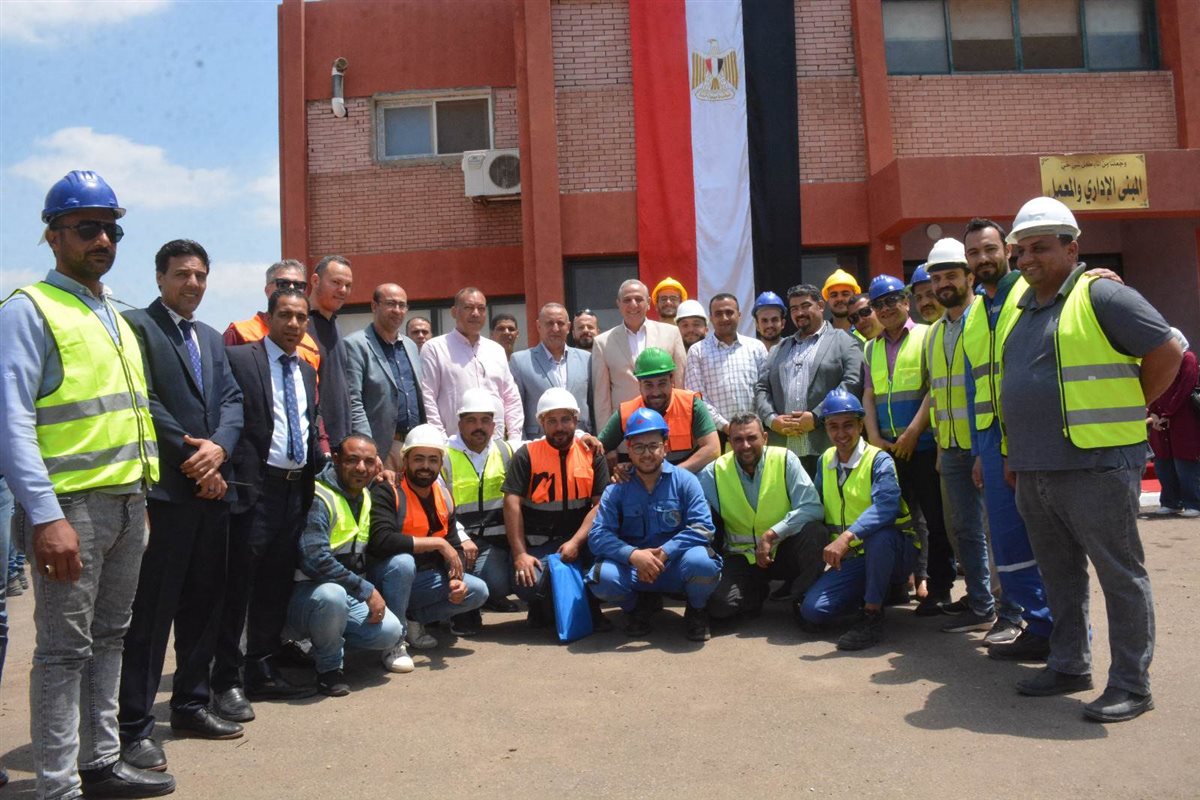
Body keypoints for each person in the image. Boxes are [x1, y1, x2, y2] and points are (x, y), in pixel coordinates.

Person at [0, 171, 173, 798]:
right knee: (62, 651)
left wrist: (140, 498)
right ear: (53, 236)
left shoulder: (115, 316)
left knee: (109, 639)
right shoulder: (29, 309)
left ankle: (100, 762)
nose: (102, 239)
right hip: (70, 509)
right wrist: (46, 517)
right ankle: (57, 784)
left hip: (127, 505)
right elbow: (12, 422)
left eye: (111, 229)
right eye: (87, 228)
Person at [1001, 196, 1180, 722]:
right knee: (1059, 575)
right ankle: (1069, 663)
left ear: (1072, 249)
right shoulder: (1021, 306)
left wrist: (1132, 404)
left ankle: (1131, 684)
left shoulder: (1102, 294)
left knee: (1119, 575)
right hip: (1036, 467)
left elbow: (1169, 350)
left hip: (1097, 464)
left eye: (1039, 247)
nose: (1027, 258)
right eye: (1020, 250)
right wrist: (1015, 455)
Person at [117, 240, 246, 775]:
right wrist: (195, 456)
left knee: (204, 603)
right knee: (153, 613)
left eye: (200, 275)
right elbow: (142, 399)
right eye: (181, 274)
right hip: (167, 493)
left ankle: (191, 704)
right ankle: (133, 726)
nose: (192, 284)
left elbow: (233, 401)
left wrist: (220, 450)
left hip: (214, 492)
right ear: (159, 277)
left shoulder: (211, 338)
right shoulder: (136, 328)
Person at [214, 288, 321, 725]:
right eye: (285, 315)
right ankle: (225, 680)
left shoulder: (307, 370)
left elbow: (309, 426)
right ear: (269, 317)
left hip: (293, 491)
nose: (293, 324)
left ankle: (260, 667)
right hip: (252, 491)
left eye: (301, 317)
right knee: (237, 587)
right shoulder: (241, 359)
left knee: (274, 585)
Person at [959, 217, 1056, 661]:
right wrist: (981, 452)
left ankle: (1063, 635)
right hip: (991, 440)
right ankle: (1037, 626)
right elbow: (978, 387)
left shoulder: (1030, 292)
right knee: (1007, 540)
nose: (983, 258)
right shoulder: (976, 312)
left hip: (1032, 435)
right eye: (974, 252)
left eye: (990, 249)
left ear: (1008, 251)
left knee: (1044, 538)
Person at [921, 238, 1016, 638]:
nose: (943, 284)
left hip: (985, 445)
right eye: (937, 278)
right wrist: (941, 445)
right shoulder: (933, 333)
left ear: (969, 277)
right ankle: (980, 604)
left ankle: (1011, 609)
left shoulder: (985, 319)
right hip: (951, 448)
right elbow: (939, 393)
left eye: (951, 275)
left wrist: (982, 449)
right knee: (964, 530)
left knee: (999, 530)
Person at [861, 274, 955, 615]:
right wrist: (873, 436)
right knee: (896, 519)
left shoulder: (928, 335)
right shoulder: (870, 347)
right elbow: (869, 394)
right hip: (887, 450)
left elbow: (935, 387)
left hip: (923, 445)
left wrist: (914, 431)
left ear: (905, 302)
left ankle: (939, 588)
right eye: (878, 304)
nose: (885, 309)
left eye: (891, 301)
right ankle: (898, 582)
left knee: (934, 519)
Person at [799, 390, 920, 651]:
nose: (841, 433)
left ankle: (872, 615)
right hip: (854, 560)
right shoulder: (824, 461)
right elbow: (814, 506)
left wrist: (847, 537)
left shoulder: (879, 460)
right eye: (833, 426)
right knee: (813, 611)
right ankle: (876, 591)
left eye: (848, 425)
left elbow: (886, 507)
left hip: (894, 552)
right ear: (826, 429)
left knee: (880, 536)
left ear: (861, 425)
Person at [587, 409, 722, 642]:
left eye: (653, 446)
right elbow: (598, 535)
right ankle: (636, 608)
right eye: (639, 447)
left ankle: (697, 609)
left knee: (703, 563)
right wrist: (633, 555)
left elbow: (703, 527)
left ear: (665, 447)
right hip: (635, 568)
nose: (646, 454)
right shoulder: (616, 489)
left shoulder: (686, 481)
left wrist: (666, 551)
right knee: (602, 577)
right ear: (629, 449)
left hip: (675, 565)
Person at [288, 434, 404, 695]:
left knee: (390, 631)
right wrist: (367, 591)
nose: (361, 468)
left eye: (368, 461)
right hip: (305, 594)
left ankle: (322, 644)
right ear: (337, 459)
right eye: (352, 460)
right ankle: (329, 669)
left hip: (345, 594)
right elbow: (314, 560)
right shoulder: (318, 496)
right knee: (332, 595)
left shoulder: (366, 495)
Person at [366, 425, 489, 654]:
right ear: (405, 460)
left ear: (440, 464)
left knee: (476, 591)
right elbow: (381, 540)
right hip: (386, 577)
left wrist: (455, 578)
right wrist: (438, 543)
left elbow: (454, 545)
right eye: (418, 459)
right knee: (403, 563)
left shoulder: (443, 496)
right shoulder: (388, 489)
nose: (425, 466)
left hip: (423, 579)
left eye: (433, 460)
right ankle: (394, 643)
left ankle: (412, 619)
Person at [502, 388, 611, 629]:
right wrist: (520, 554)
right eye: (551, 421)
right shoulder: (526, 455)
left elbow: (600, 505)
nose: (559, 427)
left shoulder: (592, 453)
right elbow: (511, 505)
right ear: (541, 423)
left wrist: (576, 542)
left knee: (607, 573)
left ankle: (590, 608)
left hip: (582, 542)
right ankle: (542, 605)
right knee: (527, 582)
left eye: (565, 419)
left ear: (575, 420)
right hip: (541, 544)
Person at [700, 414, 826, 621]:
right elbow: (698, 516)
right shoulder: (713, 473)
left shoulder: (785, 460)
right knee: (718, 607)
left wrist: (772, 534)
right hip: (742, 558)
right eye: (738, 440)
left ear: (765, 438)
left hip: (783, 551)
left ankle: (802, 599)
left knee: (815, 533)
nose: (745, 445)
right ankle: (755, 592)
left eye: (752, 438)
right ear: (730, 442)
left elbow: (812, 508)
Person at [754, 283, 864, 477]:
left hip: (827, 446)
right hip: (784, 451)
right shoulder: (779, 348)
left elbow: (852, 382)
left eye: (805, 306)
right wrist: (771, 420)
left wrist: (817, 416)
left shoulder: (845, 341)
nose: (799, 313)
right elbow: (762, 388)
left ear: (820, 306)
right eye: (794, 308)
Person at [442, 388, 513, 634]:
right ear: (460, 424)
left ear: (494, 425)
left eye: (485, 420)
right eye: (471, 420)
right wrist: (461, 537)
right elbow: (436, 506)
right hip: (457, 543)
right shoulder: (443, 454)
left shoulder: (505, 451)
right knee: (467, 579)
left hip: (495, 543)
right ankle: (459, 609)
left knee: (501, 583)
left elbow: (541, 443)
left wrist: (583, 436)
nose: (478, 427)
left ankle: (484, 597)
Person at [420, 287, 524, 444]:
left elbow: (511, 396)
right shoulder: (435, 348)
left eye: (481, 308)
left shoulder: (496, 350)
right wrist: (441, 440)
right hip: (453, 443)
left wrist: (514, 438)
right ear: (454, 312)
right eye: (468, 307)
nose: (475, 313)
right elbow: (428, 397)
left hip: (495, 444)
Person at [340, 283, 425, 470]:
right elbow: (353, 401)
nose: (397, 310)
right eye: (391, 304)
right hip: (381, 449)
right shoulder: (355, 345)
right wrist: (368, 448)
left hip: (414, 446)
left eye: (402, 305)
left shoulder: (410, 346)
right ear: (374, 306)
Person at [596, 348, 720, 473]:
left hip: (689, 478)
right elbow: (596, 450)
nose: (656, 392)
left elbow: (713, 449)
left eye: (662, 383)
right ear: (639, 383)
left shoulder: (691, 404)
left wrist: (673, 475)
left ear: (672, 380)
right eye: (648, 385)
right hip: (644, 481)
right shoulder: (626, 413)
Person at [591, 279, 687, 427]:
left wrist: (681, 423)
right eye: (627, 300)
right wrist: (606, 437)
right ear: (618, 304)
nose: (633, 305)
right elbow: (601, 398)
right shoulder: (602, 343)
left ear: (648, 303)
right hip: (625, 427)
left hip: (666, 423)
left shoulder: (672, 333)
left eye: (638, 299)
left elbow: (680, 384)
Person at [684, 294, 768, 445]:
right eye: (718, 314)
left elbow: (765, 390)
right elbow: (696, 397)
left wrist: (751, 427)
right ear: (711, 318)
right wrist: (725, 426)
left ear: (739, 315)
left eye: (729, 312)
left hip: (754, 434)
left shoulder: (756, 347)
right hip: (717, 435)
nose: (724, 318)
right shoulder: (698, 351)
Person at [510, 302, 593, 438]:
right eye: (549, 323)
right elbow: (515, 410)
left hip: (580, 441)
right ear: (539, 326)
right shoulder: (520, 361)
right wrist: (521, 445)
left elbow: (593, 404)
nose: (555, 329)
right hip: (539, 442)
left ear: (568, 327)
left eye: (560, 323)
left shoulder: (586, 359)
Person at [223, 259, 321, 373]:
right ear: (267, 290)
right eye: (283, 284)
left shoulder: (310, 346)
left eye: (299, 285)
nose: (291, 289)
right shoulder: (240, 333)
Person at [1148, 329, 1200, 517]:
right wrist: (1153, 413)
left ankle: (1193, 503)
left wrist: (1167, 414)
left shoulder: (1188, 359)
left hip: (1182, 420)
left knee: (1184, 461)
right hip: (1161, 421)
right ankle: (1170, 502)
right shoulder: (1159, 360)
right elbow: (1154, 385)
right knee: (1163, 462)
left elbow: (1185, 388)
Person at [307, 255, 354, 446]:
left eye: (348, 285)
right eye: (336, 282)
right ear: (315, 281)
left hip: (342, 441)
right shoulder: (300, 327)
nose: (342, 290)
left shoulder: (336, 327)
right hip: (315, 442)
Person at [822, 268, 861, 336]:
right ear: (827, 299)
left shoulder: (867, 331)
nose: (839, 299)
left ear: (855, 296)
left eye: (845, 294)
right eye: (834, 295)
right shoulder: (820, 336)